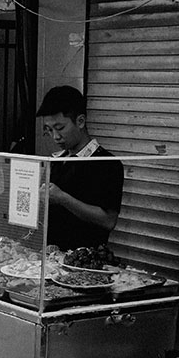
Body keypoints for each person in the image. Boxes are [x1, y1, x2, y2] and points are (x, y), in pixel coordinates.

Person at [36, 85, 124, 250]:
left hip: (84, 262)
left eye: (60, 128)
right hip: (51, 257)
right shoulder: (57, 160)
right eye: (49, 130)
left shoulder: (107, 164)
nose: (55, 137)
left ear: (80, 121)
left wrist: (63, 198)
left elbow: (108, 221)